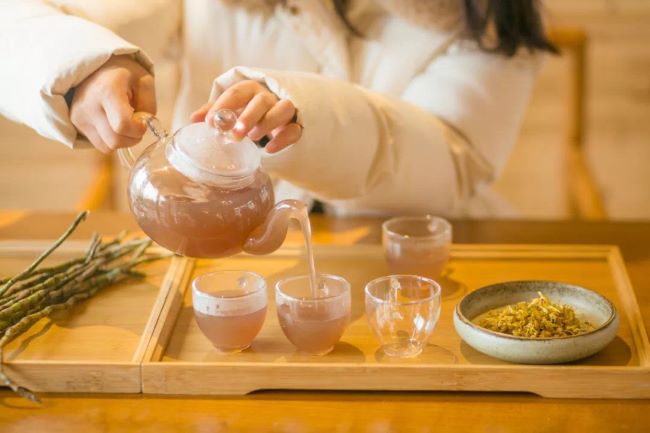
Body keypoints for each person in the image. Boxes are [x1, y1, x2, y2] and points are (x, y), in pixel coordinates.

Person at [0, 0, 556, 217]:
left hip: (410, 258)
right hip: (213, 243)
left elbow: (445, 164)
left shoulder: (490, 22)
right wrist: (84, 68)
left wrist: (303, 117)